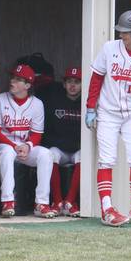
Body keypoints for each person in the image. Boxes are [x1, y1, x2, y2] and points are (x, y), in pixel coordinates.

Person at [86, 10, 131, 227]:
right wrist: (91, 107)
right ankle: (106, 209)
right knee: (106, 159)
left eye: (126, 32)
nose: (121, 35)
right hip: (108, 113)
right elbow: (96, 77)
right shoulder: (110, 48)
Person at [0, 64, 56, 219]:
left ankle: (42, 203)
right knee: (7, 151)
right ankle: (8, 201)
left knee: (46, 154)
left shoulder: (37, 104)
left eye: (18, 79)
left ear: (28, 85)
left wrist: (28, 146)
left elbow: (37, 134)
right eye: (12, 78)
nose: (12, 81)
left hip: (23, 149)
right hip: (0, 149)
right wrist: (15, 146)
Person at [40, 67, 82, 217]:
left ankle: (70, 202)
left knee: (84, 155)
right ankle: (57, 202)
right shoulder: (54, 101)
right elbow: (47, 132)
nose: (72, 85)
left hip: (77, 149)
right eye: (69, 81)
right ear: (63, 84)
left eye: (77, 82)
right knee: (51, 154)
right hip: (61, 149)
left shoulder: (85, 103)